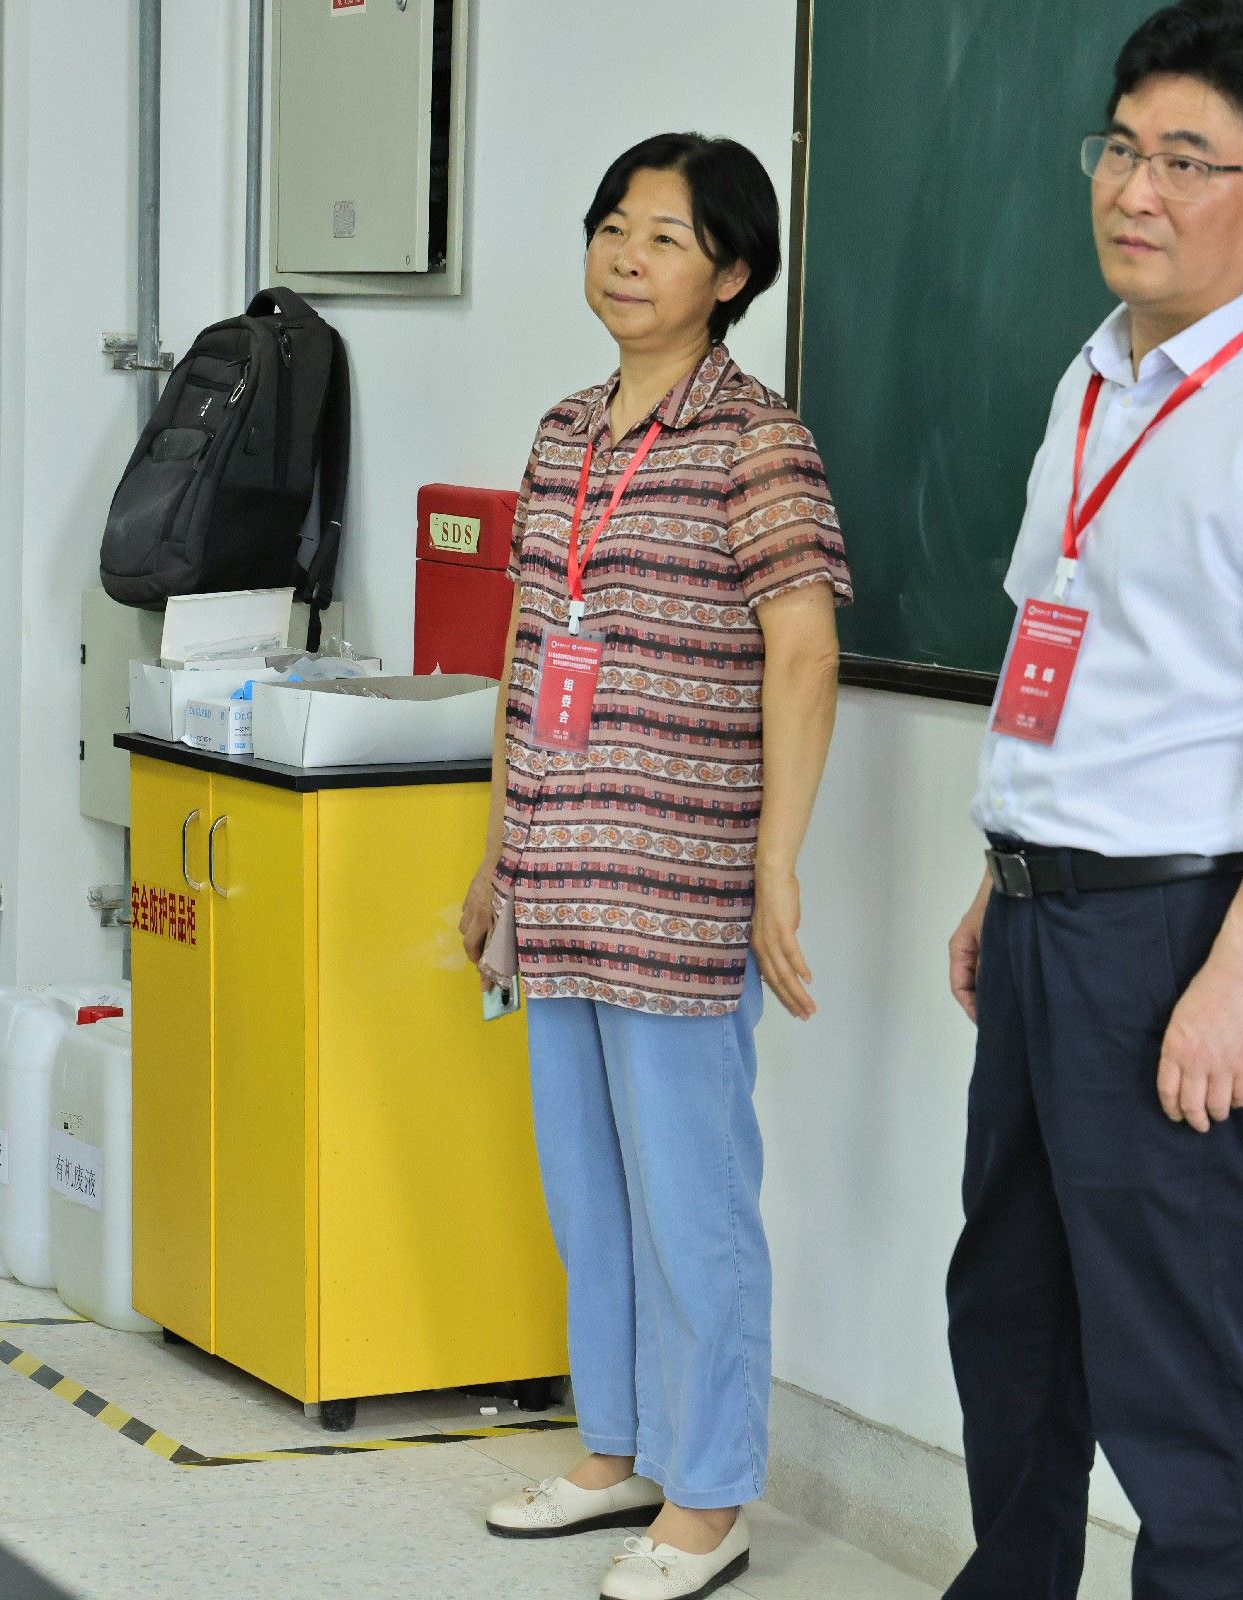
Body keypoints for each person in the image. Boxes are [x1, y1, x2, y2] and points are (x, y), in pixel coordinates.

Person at [939, 4, 1243, 1595]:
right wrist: (1000, 871)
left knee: (1190, 1375)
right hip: (1044, 917)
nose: (1135, 190)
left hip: (1180, 936)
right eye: (1122, 148)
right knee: (1014, 1321)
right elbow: (1068, 645)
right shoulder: (1097, 378)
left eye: (1188, 162)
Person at [463, 134, 849, 1600]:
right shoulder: (565, 430)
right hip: (557, 875)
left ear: (732, 274)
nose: (627, 257)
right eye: (612, 227)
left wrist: (775, 868)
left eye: (667, 238)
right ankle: (615, 1447)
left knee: (694, 1204)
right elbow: (525, 647)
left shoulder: (757, 441)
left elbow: (804, 654)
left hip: (678, 884)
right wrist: (496, 857)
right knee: (587, 1191)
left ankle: (712, 1493)